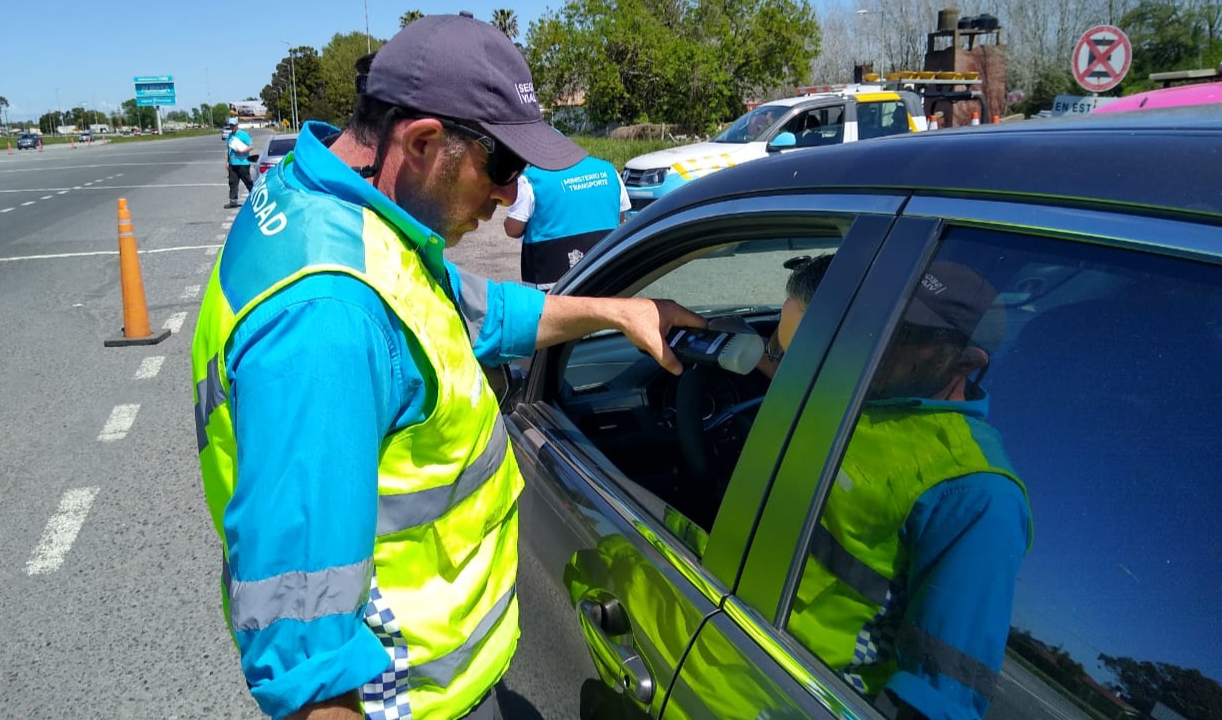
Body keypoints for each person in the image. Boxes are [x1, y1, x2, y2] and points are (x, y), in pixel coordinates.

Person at [190, 14, 703, 720]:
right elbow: (303, 649)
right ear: (424, 141)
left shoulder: (331, 208)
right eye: (503, 167)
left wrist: (615, 312)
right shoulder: (328, 319)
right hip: (411, 701)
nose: (507, 195)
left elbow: (469, 313)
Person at [685, 256, 1031, 720]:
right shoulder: (872, 388)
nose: (880, 337)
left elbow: (937, 699)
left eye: (908, 333)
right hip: (720, 629)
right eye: (884, 317)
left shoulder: (976, 493)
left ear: (966, 362)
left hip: (779, 694)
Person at [503, 156, 631, 289]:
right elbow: (620, 217)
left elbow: (513, 229)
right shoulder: (609, 170)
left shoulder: (531, 179)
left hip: (551, 280)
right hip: (604, 271)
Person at [224, 117, 254, 209]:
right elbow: (229, 150)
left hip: (243, 163)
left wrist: (243, 150)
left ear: (237, 125)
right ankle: (233, 201)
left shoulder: (243, 135)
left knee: (248, 181)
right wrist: (227, 162)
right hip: (233, 163)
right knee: (233, 182)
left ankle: (255, 197)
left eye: (233, 125)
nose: (232, 127)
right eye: (231, 125)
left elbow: (251, 146)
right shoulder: (230, 136)